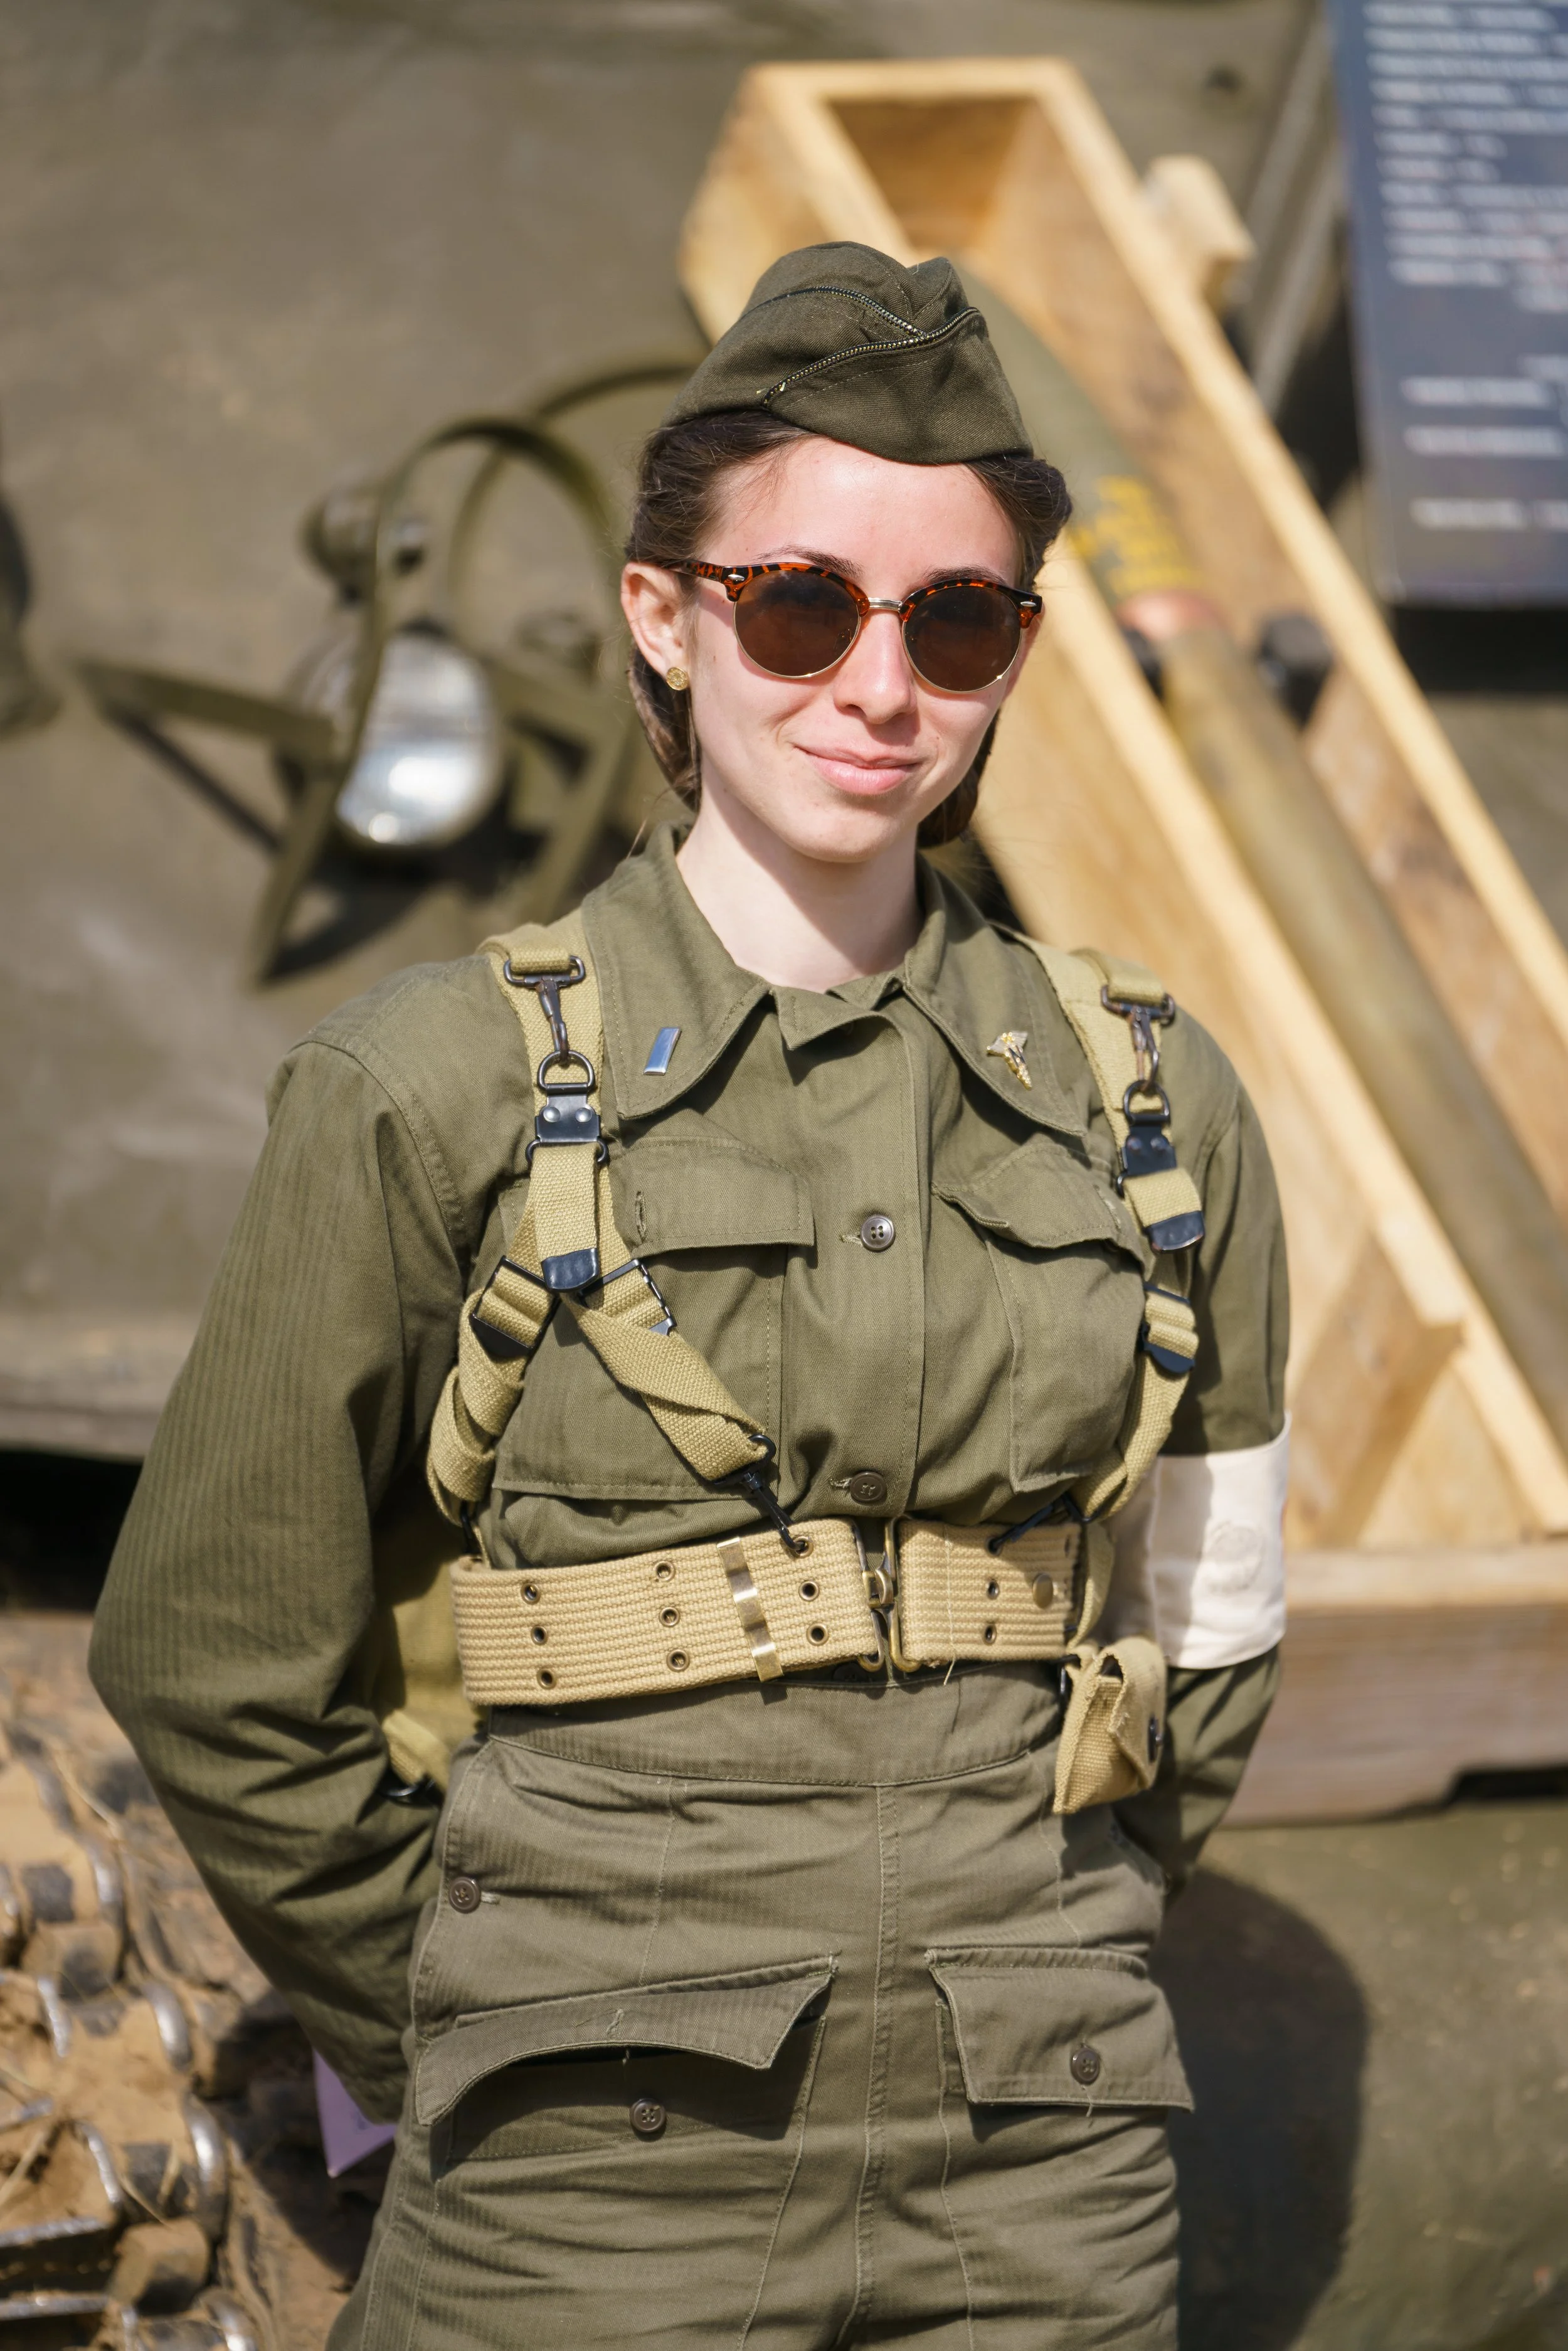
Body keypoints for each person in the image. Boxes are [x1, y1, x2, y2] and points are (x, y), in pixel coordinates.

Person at [91, 241, 1289, 2348]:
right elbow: (209, 1651)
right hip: (584, 2176)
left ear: (1015, 647)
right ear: (666, 612)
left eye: (958, 619)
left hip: (1042, 2177)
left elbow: (1211, 1614)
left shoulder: (1155, 1103)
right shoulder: (429, 1091)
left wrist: (1068, 1932)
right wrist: (470, 1999)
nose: (877, 684)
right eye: (805, 602)